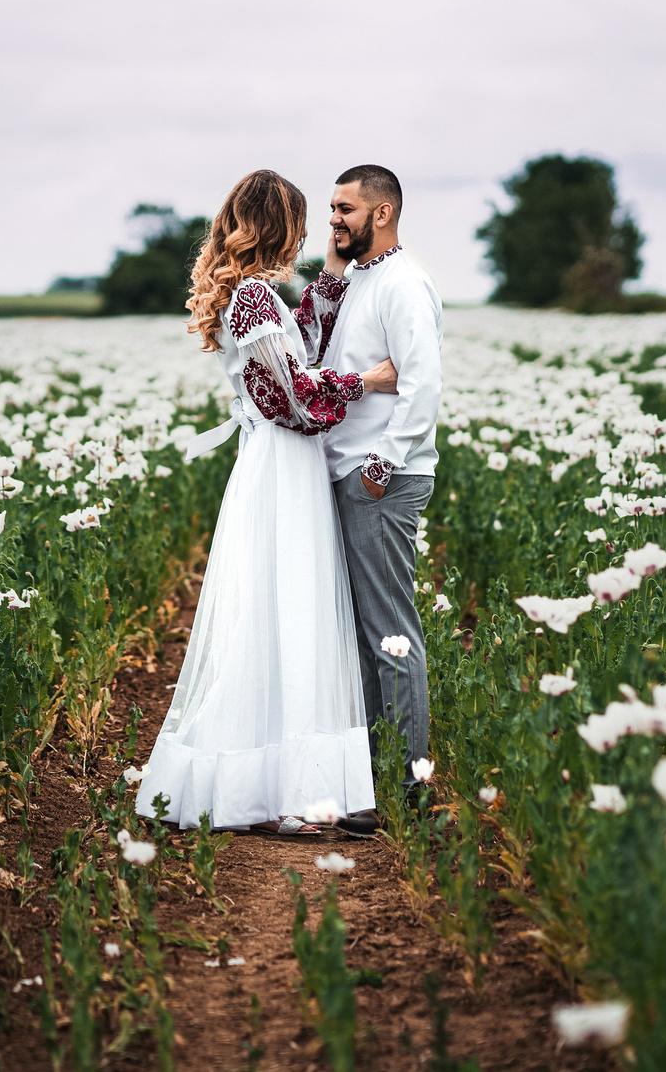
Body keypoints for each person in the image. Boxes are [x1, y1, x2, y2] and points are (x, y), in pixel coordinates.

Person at [135, 169, 399, 836]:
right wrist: (368, 381)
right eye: (302, 224)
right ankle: (288, 796)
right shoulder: (252, 301)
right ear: (278, 227)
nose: (311, 235)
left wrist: (336, 277)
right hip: (284, 464)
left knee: (281, 617)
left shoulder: (255, 298)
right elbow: (297, 402)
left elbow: (297, 343)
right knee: (290, 617)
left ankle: (276, 788)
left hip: (278, 466)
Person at [296, 164, 442, 835]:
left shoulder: (405, 285)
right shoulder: (359, 281)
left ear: (381, 213)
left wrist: (382, 467)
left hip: (380, 476)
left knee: (391, 636)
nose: (334, 220)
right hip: (351, 472)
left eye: (345, 209)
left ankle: (412, 791)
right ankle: (380, 782)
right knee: (363, 638)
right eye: (331, 208)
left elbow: (423, 385)